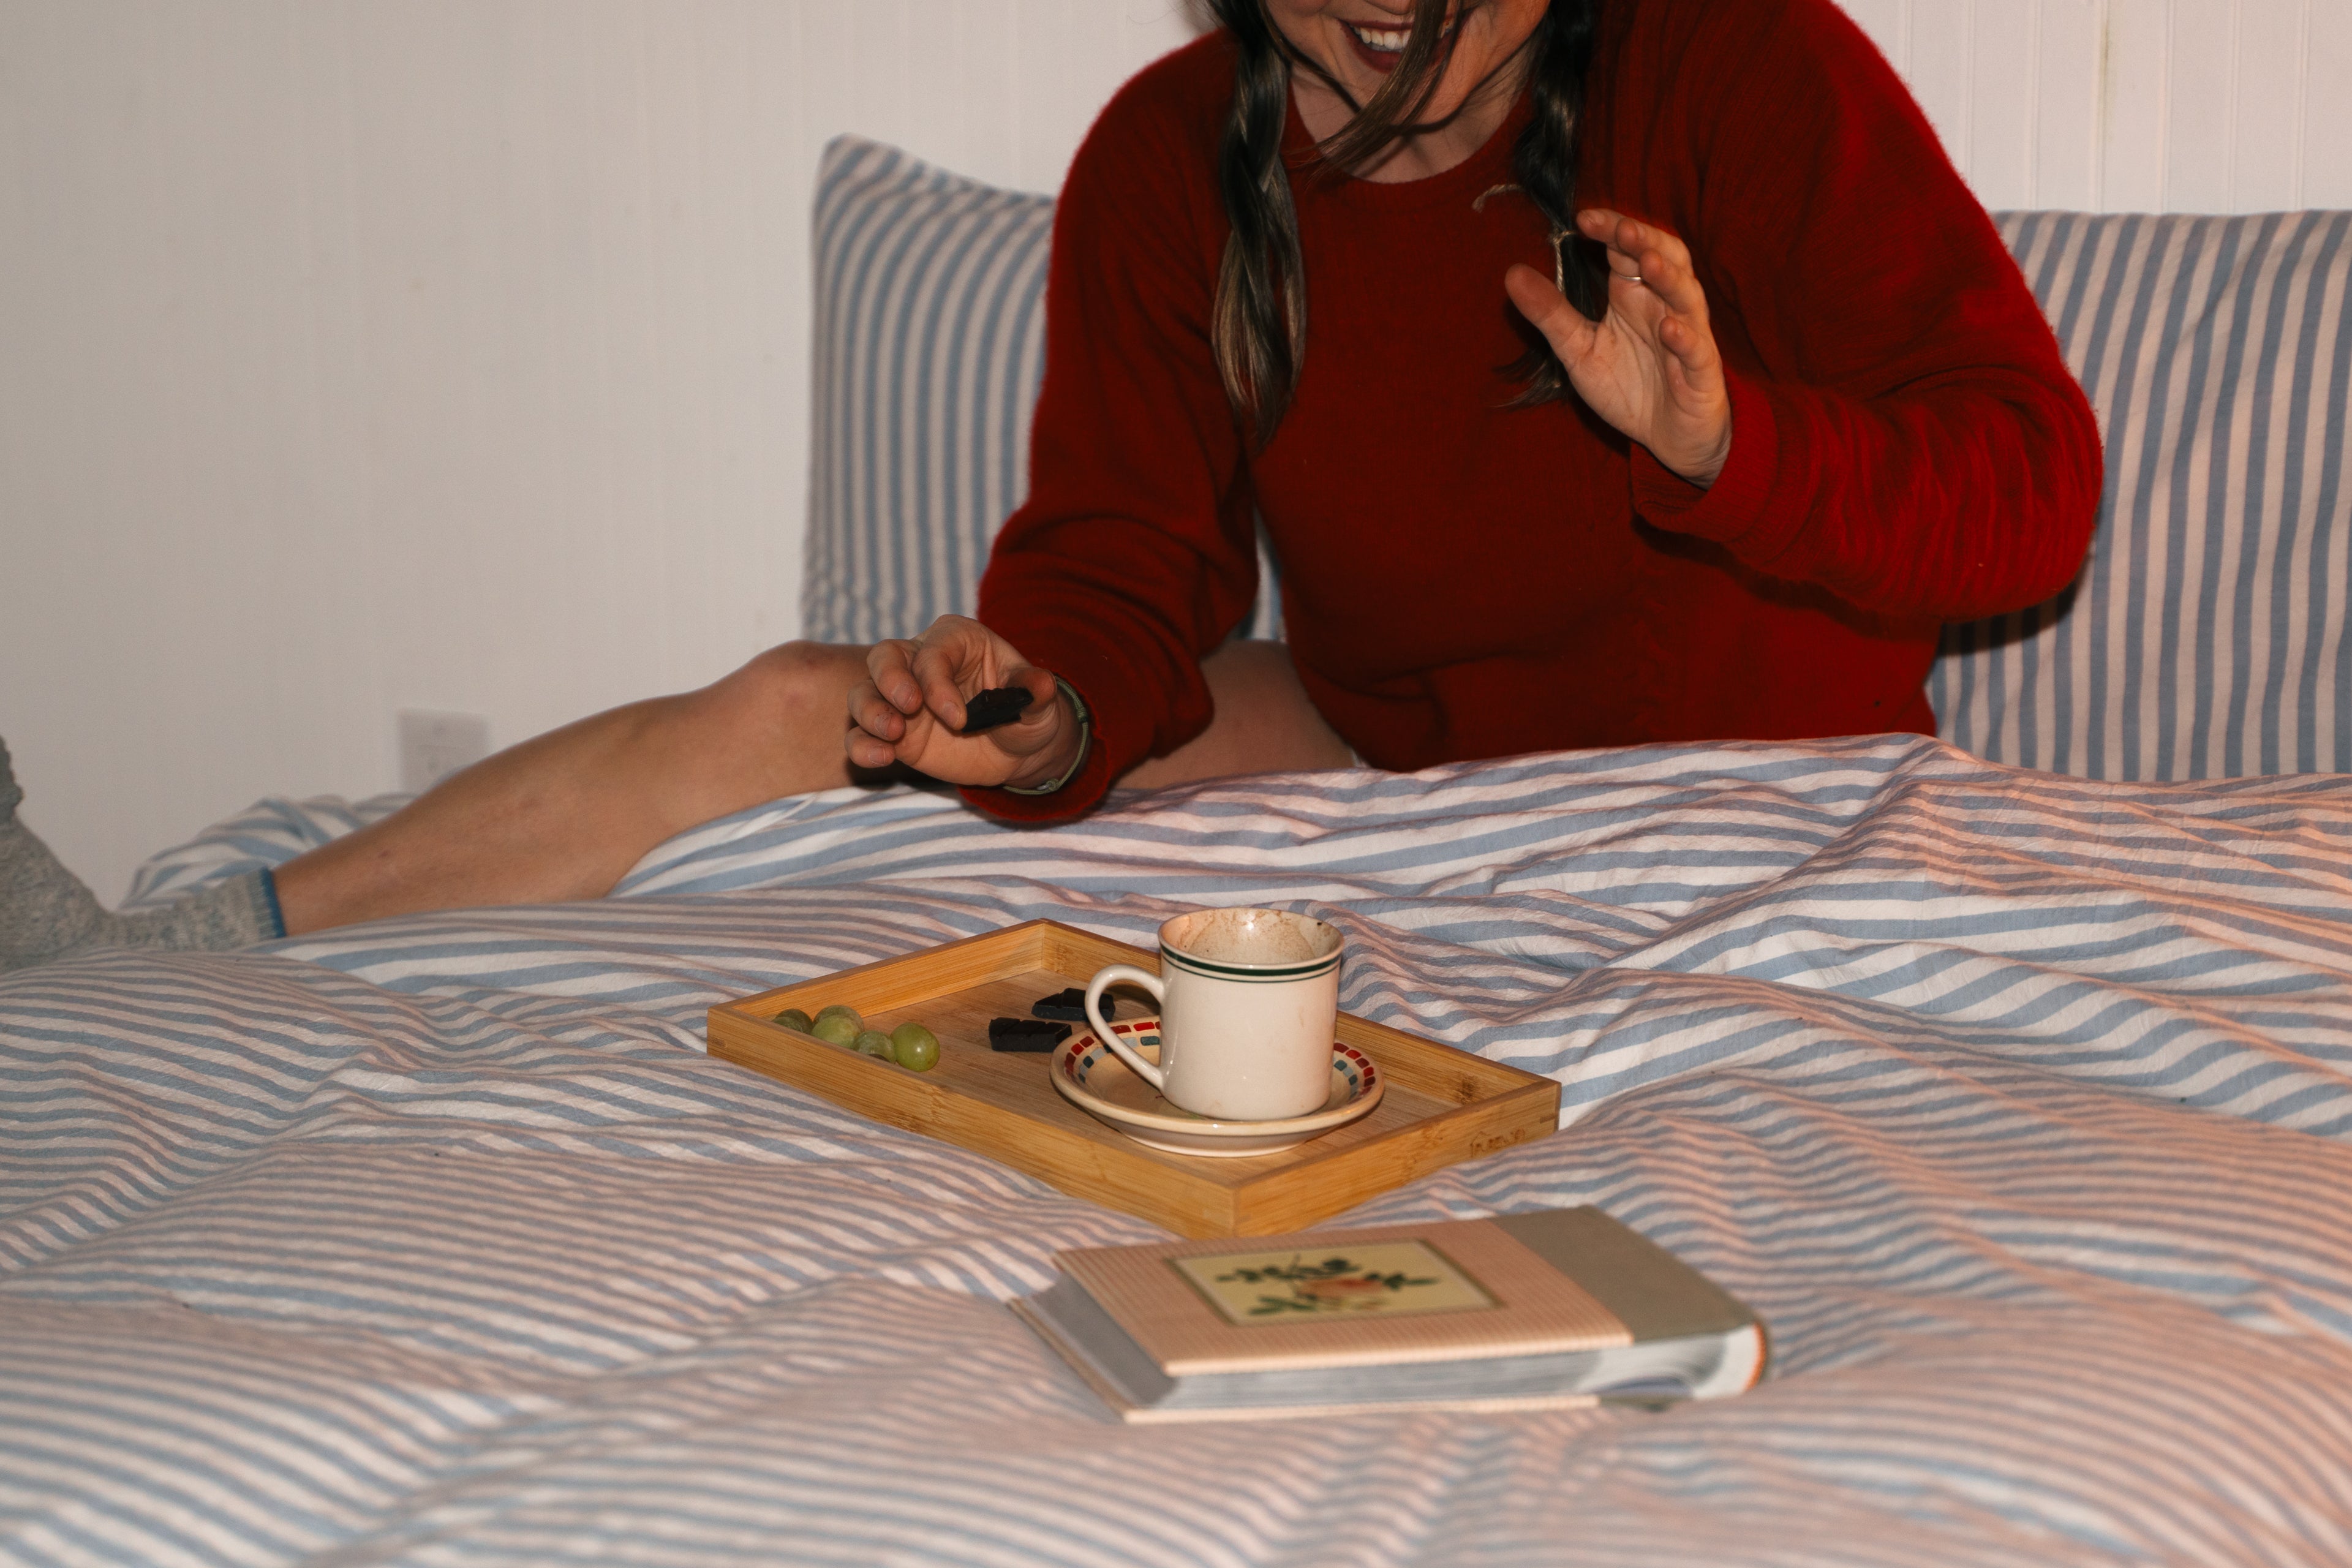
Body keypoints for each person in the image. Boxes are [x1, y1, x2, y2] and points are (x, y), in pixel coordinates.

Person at [0, 0, 2100, 973]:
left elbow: (2035, 498)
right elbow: (1124, 567)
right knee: (788, 703)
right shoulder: (1169, 157)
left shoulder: (1747, 69)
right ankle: (160, 954)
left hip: (1758, 798)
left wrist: (1729, 442)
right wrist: (1042, 714)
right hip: (1392, 748)